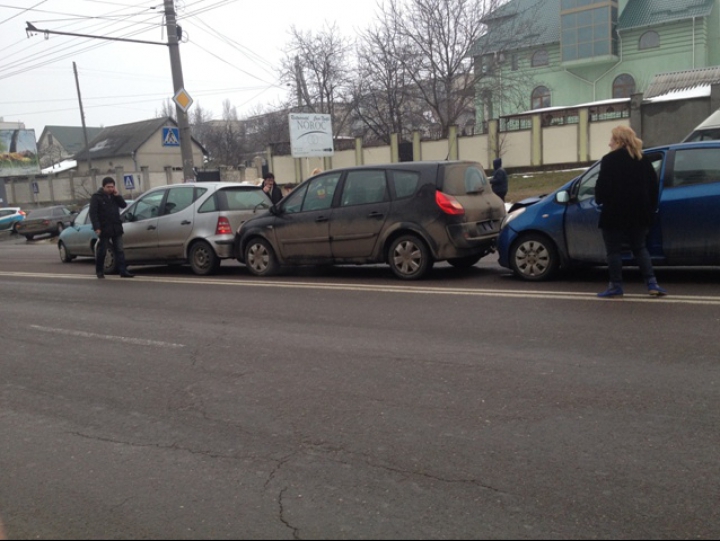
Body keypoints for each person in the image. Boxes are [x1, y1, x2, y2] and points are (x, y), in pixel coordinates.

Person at [595, 125, 666, 298]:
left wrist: (600, 200)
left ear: (619, 141)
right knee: (640, 248)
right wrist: (649, 208)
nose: (609, 143)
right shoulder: (643, 160)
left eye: (611, 139)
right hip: (640, 214)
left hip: (614, 214)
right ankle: (652, 283)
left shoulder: (609, 161)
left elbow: (601, 189)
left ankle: (616, 285)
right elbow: (653, 188)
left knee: (614, 251)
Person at [89, 176, 134, 279]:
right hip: (104, 228)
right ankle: (99, 271)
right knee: (103, 250)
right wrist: (97, 227)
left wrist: (118, 195)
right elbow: (93, 214)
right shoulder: (97, 197)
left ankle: (123, 271)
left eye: (112, 187)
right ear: (103, 187)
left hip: (116, 227)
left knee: (120, 250)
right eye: (108, 187)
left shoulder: (114, 196)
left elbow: (123, 205)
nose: (110, 189)